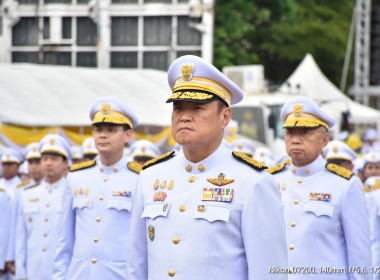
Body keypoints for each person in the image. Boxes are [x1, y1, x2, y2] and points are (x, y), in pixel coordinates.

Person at [127, 55, 287, 280]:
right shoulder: (150, 176)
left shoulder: (253, 181)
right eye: (179, 108)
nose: (184, 117)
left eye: (197, 108)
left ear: (225, 116)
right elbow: (137, 265)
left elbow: (268, 273)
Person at [267, 95, 372, 279]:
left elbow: (360, 258)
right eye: (291, 132)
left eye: (305, 132)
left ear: (324, 140)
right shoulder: (269, 181)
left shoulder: (344, 185)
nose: (296, 140)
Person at [53, 96, 141, 280]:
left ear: (127, 135)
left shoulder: (139, 178)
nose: (103, 135)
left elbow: (142, 243)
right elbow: (64, 240)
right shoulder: (76, 177)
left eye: (111, 129)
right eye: (98, 129)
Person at [15, 134, 71, 280]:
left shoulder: (72, 193)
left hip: (63, 272)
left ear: (65, 163)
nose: (48, 163)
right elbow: (21, 238)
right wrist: (21, 274)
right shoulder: (27, 195)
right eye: (44, 159)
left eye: (54, 159)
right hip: (34, 272)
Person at [0, 148, 23, 280]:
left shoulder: (23, 188)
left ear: (17, 166)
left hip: (15, 245)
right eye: (4, 164)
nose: (6, 168)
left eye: (10, 164)